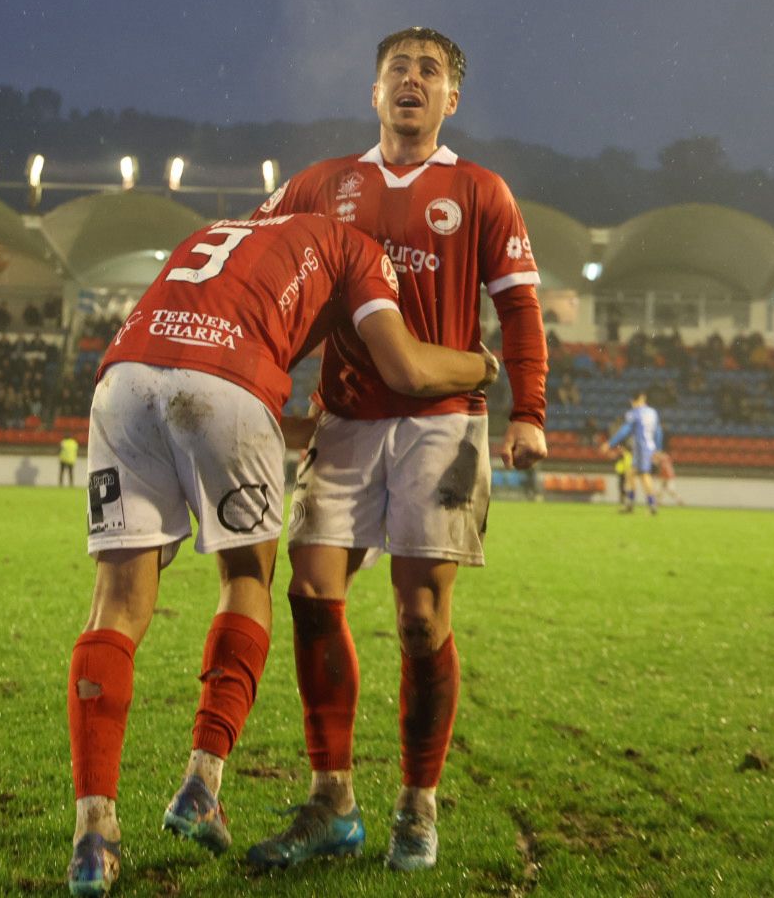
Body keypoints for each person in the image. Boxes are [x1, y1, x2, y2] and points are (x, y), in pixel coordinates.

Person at [63, 212, 499, 897]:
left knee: (115, 606)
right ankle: (202, 783)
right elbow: (407, 366)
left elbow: (208, 378)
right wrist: (487, 363)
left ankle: (94, 834)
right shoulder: (359, 247)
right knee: (248, 577)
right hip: (226, 380)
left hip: (124, 377)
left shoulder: (234, 230)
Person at [245, 26, 548, 874]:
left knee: (420, 619)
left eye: (430, 71)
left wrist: (529, 411)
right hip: (344, 421)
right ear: (373, 94)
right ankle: (331, 799)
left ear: (453, 98)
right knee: (310, 587)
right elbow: (265, 278)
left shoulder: (481, 190)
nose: (411, 80)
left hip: (444, 422)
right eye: (396, 71)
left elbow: (521, 310)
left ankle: (417, 803)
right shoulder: (321, 185)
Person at [607, 391, 662, 515]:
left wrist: (610, 443)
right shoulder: (653, 412)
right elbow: (658, 431)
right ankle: (630, 504)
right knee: (630, 473)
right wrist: (658, 449)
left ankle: (652, 505)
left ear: (634, 401)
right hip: (648, 447)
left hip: (641, 447)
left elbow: (625, 430)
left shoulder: (635, 413)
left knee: (644, 475)